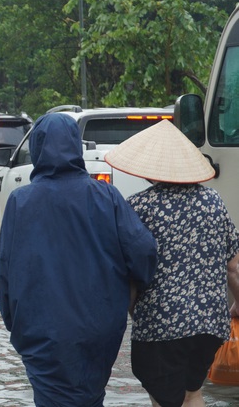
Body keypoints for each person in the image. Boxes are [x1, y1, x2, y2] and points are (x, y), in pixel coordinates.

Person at [0, 113, 157, 407]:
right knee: (90, 396)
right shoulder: (107, 196)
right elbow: (143, 251)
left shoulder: (20, 202)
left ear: (38, 148)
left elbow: (5, 274)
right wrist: (130, 293)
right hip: (99, 328)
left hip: (40, 331)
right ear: (76, 147)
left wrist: (15, 324)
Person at [104, 119, 239, 407]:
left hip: (160, 325)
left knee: (164, 398)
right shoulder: (214, 201)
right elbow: (234, 268)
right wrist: (237, 306)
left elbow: (124, 271)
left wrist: (128, 313)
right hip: (211, 324)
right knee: (192, 393)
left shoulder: (139, 207)